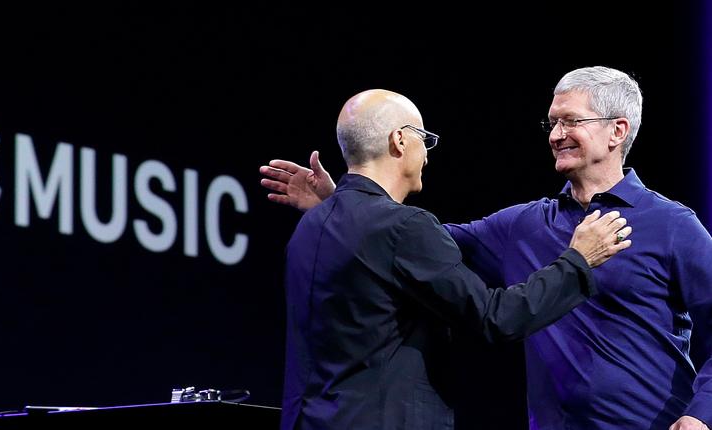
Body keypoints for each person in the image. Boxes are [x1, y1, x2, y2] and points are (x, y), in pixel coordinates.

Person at [261, 67, 712, 430]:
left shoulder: (671, 226)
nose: (555, 134)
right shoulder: (524, 225)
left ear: (617, 131)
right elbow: (409, 246)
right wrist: (344, 204)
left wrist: (701, 414)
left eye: (571, 121)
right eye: (552, 122)